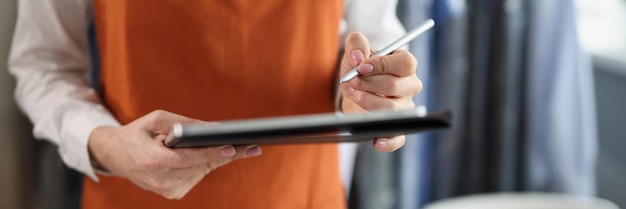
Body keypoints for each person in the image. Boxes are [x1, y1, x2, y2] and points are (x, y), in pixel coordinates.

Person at [9, 0, 422, 208]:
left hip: (298, 194)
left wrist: (370, 94)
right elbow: (44, 65)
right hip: (136, 194)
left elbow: (368, 41)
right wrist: (103, 144)